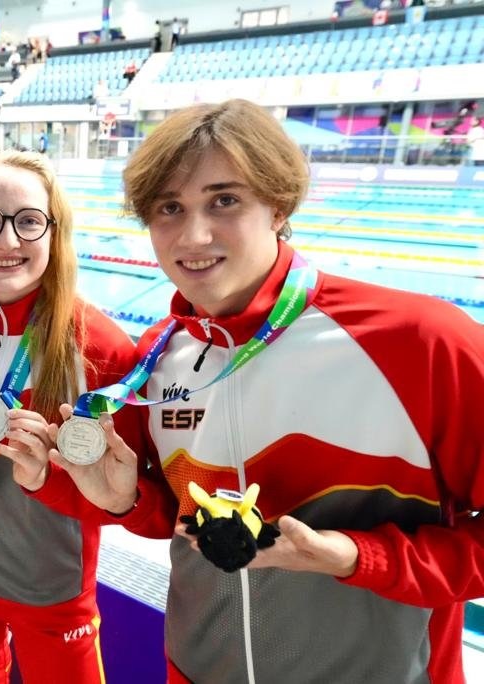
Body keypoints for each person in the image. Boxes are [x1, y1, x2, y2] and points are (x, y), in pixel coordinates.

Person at [39, 99, 484, 682]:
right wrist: (127, 500)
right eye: (169, 207)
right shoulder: (156, 358)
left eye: (225, 200)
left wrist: (356, 557)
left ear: (278, 205)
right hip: (195, 668)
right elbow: (171, 524)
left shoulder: (420, 343)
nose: (193, 235)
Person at [0, 151, 163, 683]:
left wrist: (46, 480)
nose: (6, 242)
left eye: (28, 221)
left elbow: (130, 500)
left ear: (54, 233)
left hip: (50, 586)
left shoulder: (102, 351)